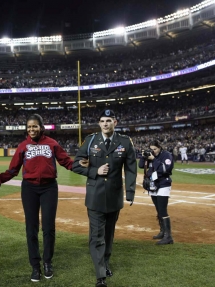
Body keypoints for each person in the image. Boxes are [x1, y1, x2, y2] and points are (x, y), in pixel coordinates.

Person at [0, 114, 74, 282]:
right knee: (31, 228)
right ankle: (35, 266)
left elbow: (67, 162)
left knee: (48, 227)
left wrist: (85, 167)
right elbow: (12, 170)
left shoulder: (52, 144)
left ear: (41, 127)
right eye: (29, 127)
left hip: (49, 188)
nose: (31, 129)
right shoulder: (23, 146)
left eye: (34, 126)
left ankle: (47, 262)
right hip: (29, 188)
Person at [72, 109, 137, 287]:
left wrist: (130, 192)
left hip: (115, 196)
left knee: (108, 235)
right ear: (99, 123)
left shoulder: (125, 142)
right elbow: (76, 165)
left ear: (115, 122)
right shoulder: (91, 140)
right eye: (102, 121)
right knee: (97, 236)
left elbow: (131, 168)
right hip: (95, 196)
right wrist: (94, 171)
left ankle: (105, 262)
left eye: (109, 120)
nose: (105, 123)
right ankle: (100, 275)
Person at [138, 140, 174, 245]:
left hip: (163, 184)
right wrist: (143, 156)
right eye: (151, 149)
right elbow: (141, 166)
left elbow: (166, 169)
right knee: (158, 210)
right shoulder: (150, 155)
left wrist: (154, 159)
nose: (153, 151)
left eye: (155, 149)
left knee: (162, 210)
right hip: (153, 185)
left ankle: (169, 236)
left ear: (160, 148)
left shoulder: (166, 155)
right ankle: (162, 232)